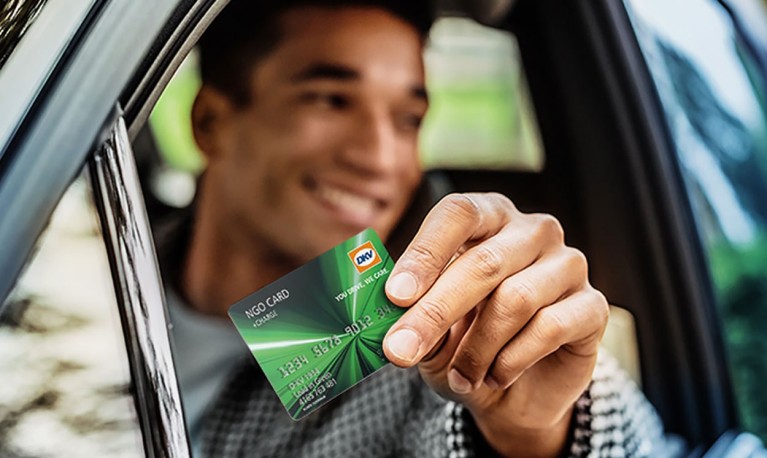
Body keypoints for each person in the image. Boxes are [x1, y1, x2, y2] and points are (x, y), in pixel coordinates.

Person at [155, 0, 666, 456]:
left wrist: (536, 435)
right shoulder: (102, 260)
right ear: (211, 122)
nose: (379, 158)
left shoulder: (423, 338)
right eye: (332, 99)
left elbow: (635, 442)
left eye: (408, 119)